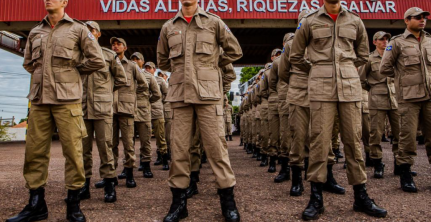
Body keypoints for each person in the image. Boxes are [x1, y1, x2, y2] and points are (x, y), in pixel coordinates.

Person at [7, 0, 105, 221]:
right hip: (40, 99)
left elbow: (97, 60)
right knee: (34, 152)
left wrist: (72, 72)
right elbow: (28, 63)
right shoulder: (35, 31)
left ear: (64, 2)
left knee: (73, 152)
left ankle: (74, 205)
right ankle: (36, 204)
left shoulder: (78, 29)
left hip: (67, 100)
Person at [290, 0, 387, 220]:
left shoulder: (355, 20)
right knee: (319, 141)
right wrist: (317, 69)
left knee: (353, 141)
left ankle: (361, 196)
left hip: (350, 86)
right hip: (321, 87)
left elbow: (363, 55)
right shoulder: (309, 21)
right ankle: (316, 198)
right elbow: (296, 56)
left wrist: (346, 69)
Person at [157, 0, 243, 220]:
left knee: (216, 148)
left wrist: (212, 63)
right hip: (179, 94)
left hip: (208, 93)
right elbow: (162, 61)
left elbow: (235, 51)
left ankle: (228, 202)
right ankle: (178, 204)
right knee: (179, 150)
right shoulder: (168, 27)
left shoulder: (214, 22)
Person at [380, 7, 430, 193]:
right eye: (417, 17)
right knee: (407, 138)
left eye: (424, 17)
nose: (422, 20)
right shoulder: (397, 43)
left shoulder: (429, 41)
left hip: (430, 97)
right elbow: (384, 68)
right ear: (407, 21)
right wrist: (403, 78)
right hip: (409, 98)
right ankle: (406, 175)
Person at [80, 21, 128, 203]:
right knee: (82, 150)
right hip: (81, 108)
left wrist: (106, 92)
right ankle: (83, 185)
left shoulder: (108, 55)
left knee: (105, 148)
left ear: (98, 34)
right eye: (85, 31)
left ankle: (109, 184)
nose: (88, 33)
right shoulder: (78, 54)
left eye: (91, 31)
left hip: (102, 108)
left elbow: (122, 79)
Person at [111, 37, 149, 188]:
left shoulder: (132, 66)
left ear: (125, 47)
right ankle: (111, 176)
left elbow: (143, 84)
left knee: (128, 144)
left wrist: (131, 95)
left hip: (126, 109)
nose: (115, 46)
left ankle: (129, 174)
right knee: (110, 144)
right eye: (113, 44)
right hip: (110, 109)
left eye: (118, 44)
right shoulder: (108, 62)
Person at [130, 53, 162, 178]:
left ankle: (146, 165)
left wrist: (147, 102)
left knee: (145, 141)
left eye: (137, 59)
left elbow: (157, 94)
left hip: (143, 112)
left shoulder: (149, 77)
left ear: (142, 62)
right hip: (128, 111)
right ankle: (127, 167)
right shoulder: (126, 74)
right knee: (128, 142)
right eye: (132, 59)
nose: (134, 61)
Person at [145, 62, 170, 170]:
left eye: (149, 68)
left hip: (157, 111)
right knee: (145, 137)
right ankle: (144, 161)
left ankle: (164, 158)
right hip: (144, 110)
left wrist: (159, 102)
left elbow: (166, 93)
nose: (147, 69)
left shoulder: (159, 80)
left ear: (154, 69)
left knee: (160, 136)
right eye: (146, 67)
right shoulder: (141, 78)